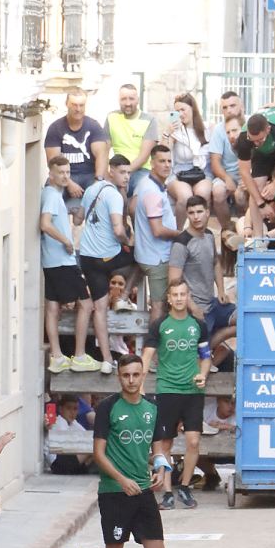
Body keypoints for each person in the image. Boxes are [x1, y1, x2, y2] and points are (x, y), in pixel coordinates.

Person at [92, 354, 167, 548]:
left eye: (136, 374)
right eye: (126, 375)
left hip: (143, 490)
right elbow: (98, 453)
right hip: (114, 492)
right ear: (119, 377)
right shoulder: (107, 407)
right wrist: (122, 480)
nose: (131, 380)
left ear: (143, 375)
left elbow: (158, 449)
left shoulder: (152, 407)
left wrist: (161, 469)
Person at [143, 276, 211, 511]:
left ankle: (184, 486)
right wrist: (140, 384)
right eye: (175, 295)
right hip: (167, 389)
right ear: (169, 299)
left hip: (192, 391)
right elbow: (146, 356)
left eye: (183, 294)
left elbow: (206, 357)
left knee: (193, 441)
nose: (180, 298)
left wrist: (203, 374)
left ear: (188, 297)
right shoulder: (159, 325)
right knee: (165, 443)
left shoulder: (198, 325)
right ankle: (167, 492)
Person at [76, 155, 134, 375]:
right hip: (107, 256)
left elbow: (78, 219)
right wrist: (127, 242)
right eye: (122, 172)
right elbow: (118, 230)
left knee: (99, 307)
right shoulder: (114, 195)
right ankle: (124, 296)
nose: (126, 177)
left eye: (129, 173)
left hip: (87, 256)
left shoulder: (92, 189)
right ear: (111, 171)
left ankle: (107, 360)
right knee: (142, 257)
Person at [39, 156, 96, 375]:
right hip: (62, 261)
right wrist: (66, 241)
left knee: (52, 307)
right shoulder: (52, 196)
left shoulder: (50, 194)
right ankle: (79, 355)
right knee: (86, 304)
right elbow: (45, 224)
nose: (65, 176)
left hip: (51, 261)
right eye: (61, 172)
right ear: (51, 174)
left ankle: (57, 356)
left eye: (68, 172)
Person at [168, 195, 235, 360]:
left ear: (207, 212)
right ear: (187, 215)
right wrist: (192, 307)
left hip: (213, 303)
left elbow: (215, 263)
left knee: (244, 319)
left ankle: (211, 348)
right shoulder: (181, 243)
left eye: (199, 212)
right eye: (191, 213)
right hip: (196, 308)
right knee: (192, 355)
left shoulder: (210, 234)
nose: (196, 217)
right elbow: (174, 282)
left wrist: (221, 291)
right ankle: (205, 357)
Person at [132, 144, 180, 323]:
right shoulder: (152, 191)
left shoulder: (147, 183)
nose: (167, 165)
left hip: (147, 253)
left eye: (169, 161)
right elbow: (157, 230)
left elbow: (131, 207)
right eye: (162, 161)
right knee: (159, 306)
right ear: (152, 163)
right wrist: (180, 234)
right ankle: (153, 340)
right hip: (157, 257)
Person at [236, 112, 275, 238]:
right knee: (256, 185)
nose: (256, 143)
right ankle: (258, 238)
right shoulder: (244, 138)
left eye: (260, 139)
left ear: (268, 130)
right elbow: (244, 172)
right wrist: (261, 203)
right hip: (263, 153)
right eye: (253, 140)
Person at [44, 89, 108, 205]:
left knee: (104, 193)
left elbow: (102, 156)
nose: (78, 109)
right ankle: (50, 216)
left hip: (89, 175)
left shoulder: (94, 126)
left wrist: (97, 182)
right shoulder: (55, 128)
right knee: (50, 190)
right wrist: (69, 183)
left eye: (81, 105)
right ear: (67, 104)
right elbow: (53, 162)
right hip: (64, 174)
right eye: (74, 105)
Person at [166, 92, 212, 220]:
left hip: (201, 171)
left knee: (202, 194)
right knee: (185, 196)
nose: (180, 114)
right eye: (177, 111)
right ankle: (178, 230)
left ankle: (201, 229)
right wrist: (167, 133)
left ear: (192, 109)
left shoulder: (206, 129)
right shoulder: (175, 132)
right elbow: (164, 151)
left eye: (183, 109)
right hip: (179, 172)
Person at [207, 91, 247, 228]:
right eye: (224, 107)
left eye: (232, 105)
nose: (229, 110)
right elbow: (215, 162)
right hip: (226, 174)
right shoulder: (219, 130)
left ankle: (246, 227)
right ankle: (227, 230)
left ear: (242, 106)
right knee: (218, 192)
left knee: (244, 194)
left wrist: (247, 178)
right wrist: (227, 179)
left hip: (248, 173)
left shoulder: (250, 125)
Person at [106, 83, 156, 189]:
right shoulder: (111, 117)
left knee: (144, 190)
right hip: (118, 169)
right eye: (123, 99)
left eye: (131, 99)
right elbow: (104, 149)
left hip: (141, 170)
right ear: (119, 100)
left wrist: (124, 173)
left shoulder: (149, 120)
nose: (128, 103)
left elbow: (144, 157)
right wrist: (108, 172)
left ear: (137, 100)